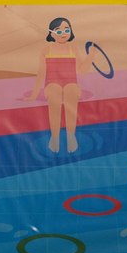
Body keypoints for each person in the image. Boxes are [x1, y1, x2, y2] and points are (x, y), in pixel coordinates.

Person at [23, 17, 89, 153]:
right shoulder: (46, 50)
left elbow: (81, 71)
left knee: (71, 91)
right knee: (55, 93)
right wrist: (34, 95)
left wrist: (91, 56)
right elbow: (41, 74)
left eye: (67, 29)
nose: (63, 33)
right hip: (52, 83)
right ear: (51, 34)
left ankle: (71, 135)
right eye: (58, 31)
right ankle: (55, 136)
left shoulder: (74, 49)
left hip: (71, 83)